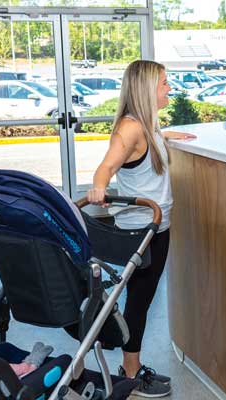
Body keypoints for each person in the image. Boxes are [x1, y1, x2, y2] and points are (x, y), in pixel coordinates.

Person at [87, 60, 195, 398]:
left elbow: (142, 152)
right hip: (142, 230)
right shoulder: (131, 128)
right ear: (147, 88)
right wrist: (98, 187)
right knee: (139, 301)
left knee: (139, 298)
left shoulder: (145, 126)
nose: (169, 88)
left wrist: (164, 135)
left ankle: (128, 364)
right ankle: (130, 373)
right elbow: (107, 165)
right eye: (163, 83)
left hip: (156, 227)